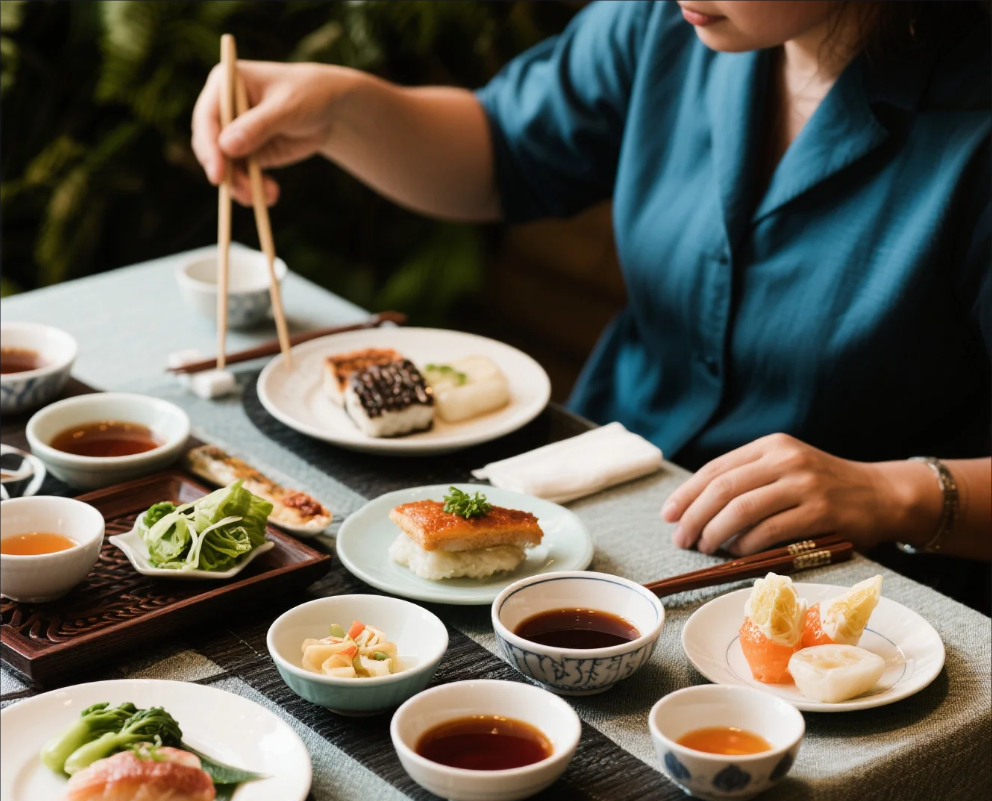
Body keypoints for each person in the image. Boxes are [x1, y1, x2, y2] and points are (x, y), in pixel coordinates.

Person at [192, 0, 990, 572]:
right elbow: (502, 154)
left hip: (865, 584)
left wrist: (901, 494)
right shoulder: (668, 20)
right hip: (597, 510)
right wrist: (340, 110)